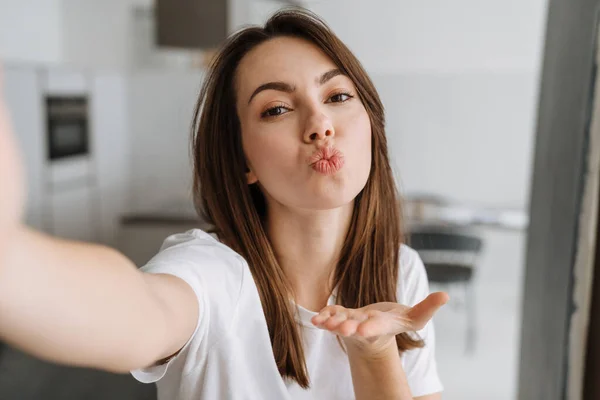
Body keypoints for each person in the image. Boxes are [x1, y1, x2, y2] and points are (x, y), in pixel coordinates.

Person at [0, 8, 449, 400]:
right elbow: (140, 311)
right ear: (243, 161)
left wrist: (373, 354)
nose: (320, 124)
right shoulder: (211, 276)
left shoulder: (399, 270)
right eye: (276, 109)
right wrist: (11, 258)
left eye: (337, 96)